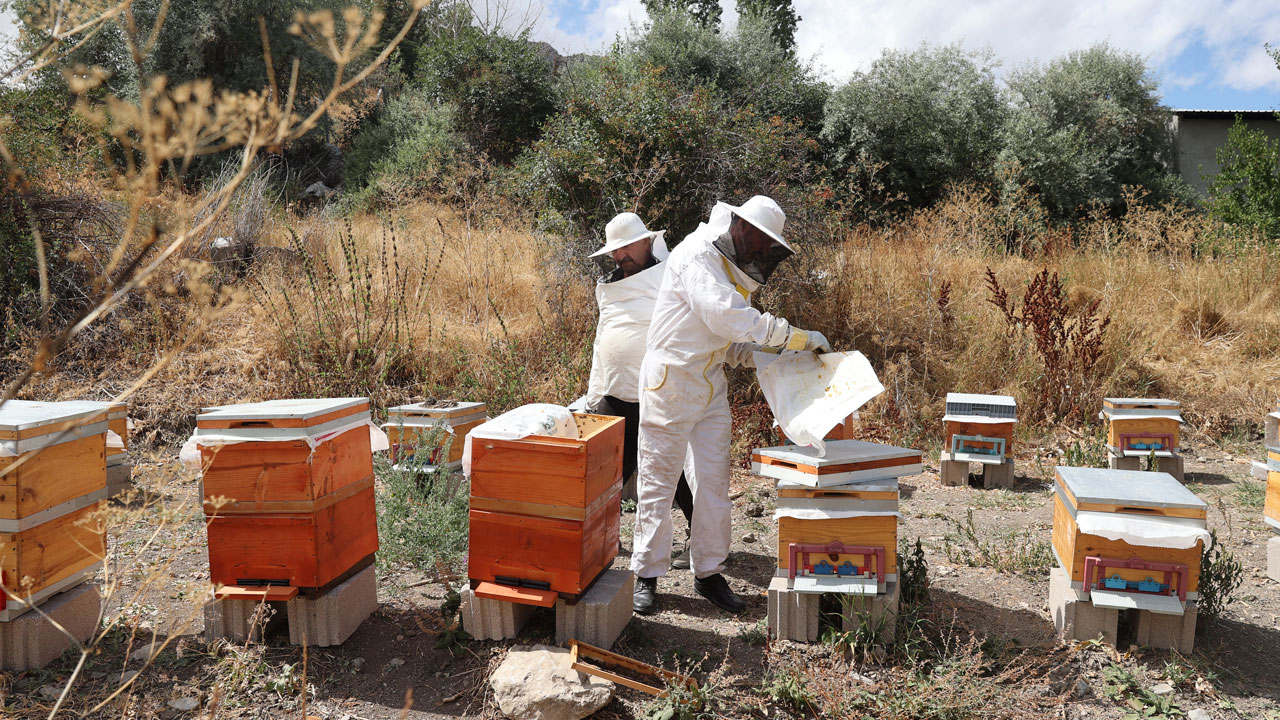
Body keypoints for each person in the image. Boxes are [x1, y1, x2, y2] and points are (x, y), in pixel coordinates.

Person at [630, 195, 830, 615]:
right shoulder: (695, 257)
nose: (760, 252)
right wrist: (797, 337)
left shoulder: (728, 267)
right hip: (669, 384)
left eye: (767, 248)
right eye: (759, 242)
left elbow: (730, 343)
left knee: (714, 484)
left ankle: (708, 572)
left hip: (709, 387)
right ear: (740, 228)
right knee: (658, 483)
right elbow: (732, 319)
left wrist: (786, 358)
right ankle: (646, 574)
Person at [582, 212, 695, 568]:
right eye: (614, 251)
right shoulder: (611, 284)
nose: (620, 256)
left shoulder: (670, 277)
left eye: (626, 247)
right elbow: (602, 341)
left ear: (647, 241)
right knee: (607, 472)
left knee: (671, 468)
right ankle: (600, 541)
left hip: (658, 391)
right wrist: (592, 393)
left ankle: (699, 540)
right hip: (614, 392)